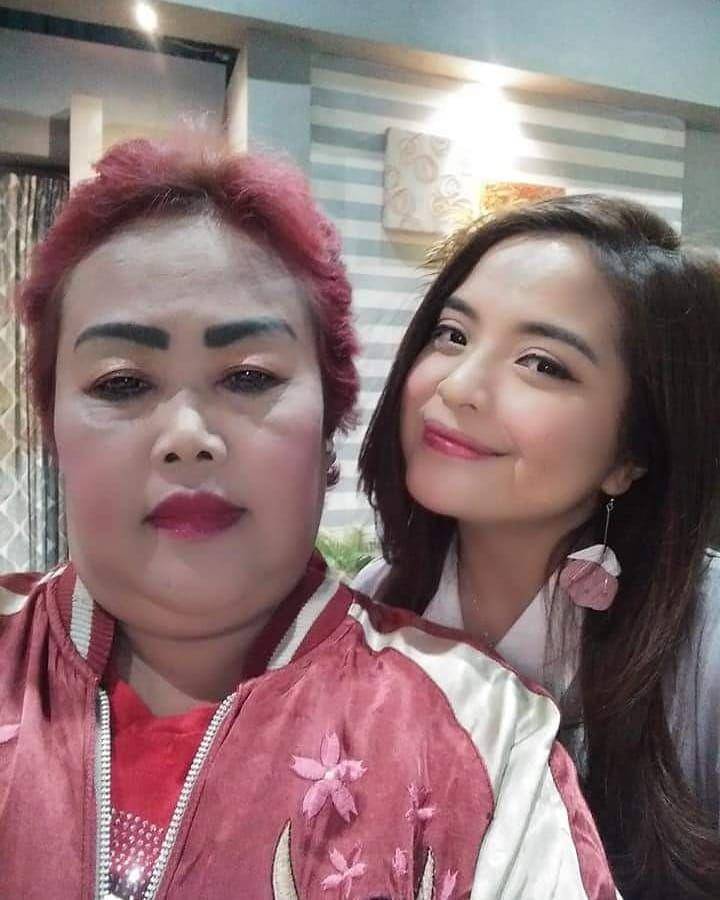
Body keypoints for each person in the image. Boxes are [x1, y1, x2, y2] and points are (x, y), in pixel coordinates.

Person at [0, 138, 617, 899]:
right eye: (123, 382)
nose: (188, 436)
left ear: (329, 423)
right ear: (52, 428)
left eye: (248, 376)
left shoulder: (487, 733)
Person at [355, 194, 720, 899]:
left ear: (632, 454)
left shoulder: (705, 651)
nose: (458, 385)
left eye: (543, 364)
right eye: (452, 334)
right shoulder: (373, 603)